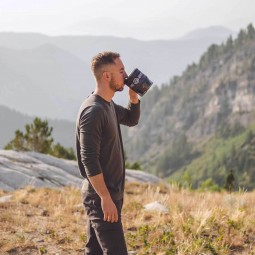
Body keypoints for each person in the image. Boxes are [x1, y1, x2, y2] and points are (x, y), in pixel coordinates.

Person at [76, 51, 140, 255]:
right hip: (101, 197)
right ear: (107, 76)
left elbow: (131, 119)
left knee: (94, 251)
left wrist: (133, 99)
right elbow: (89, 159)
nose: (126, 75)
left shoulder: (108, 104)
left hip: (109, 195)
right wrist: (105, 198)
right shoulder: (94, 111)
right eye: (121, 71)